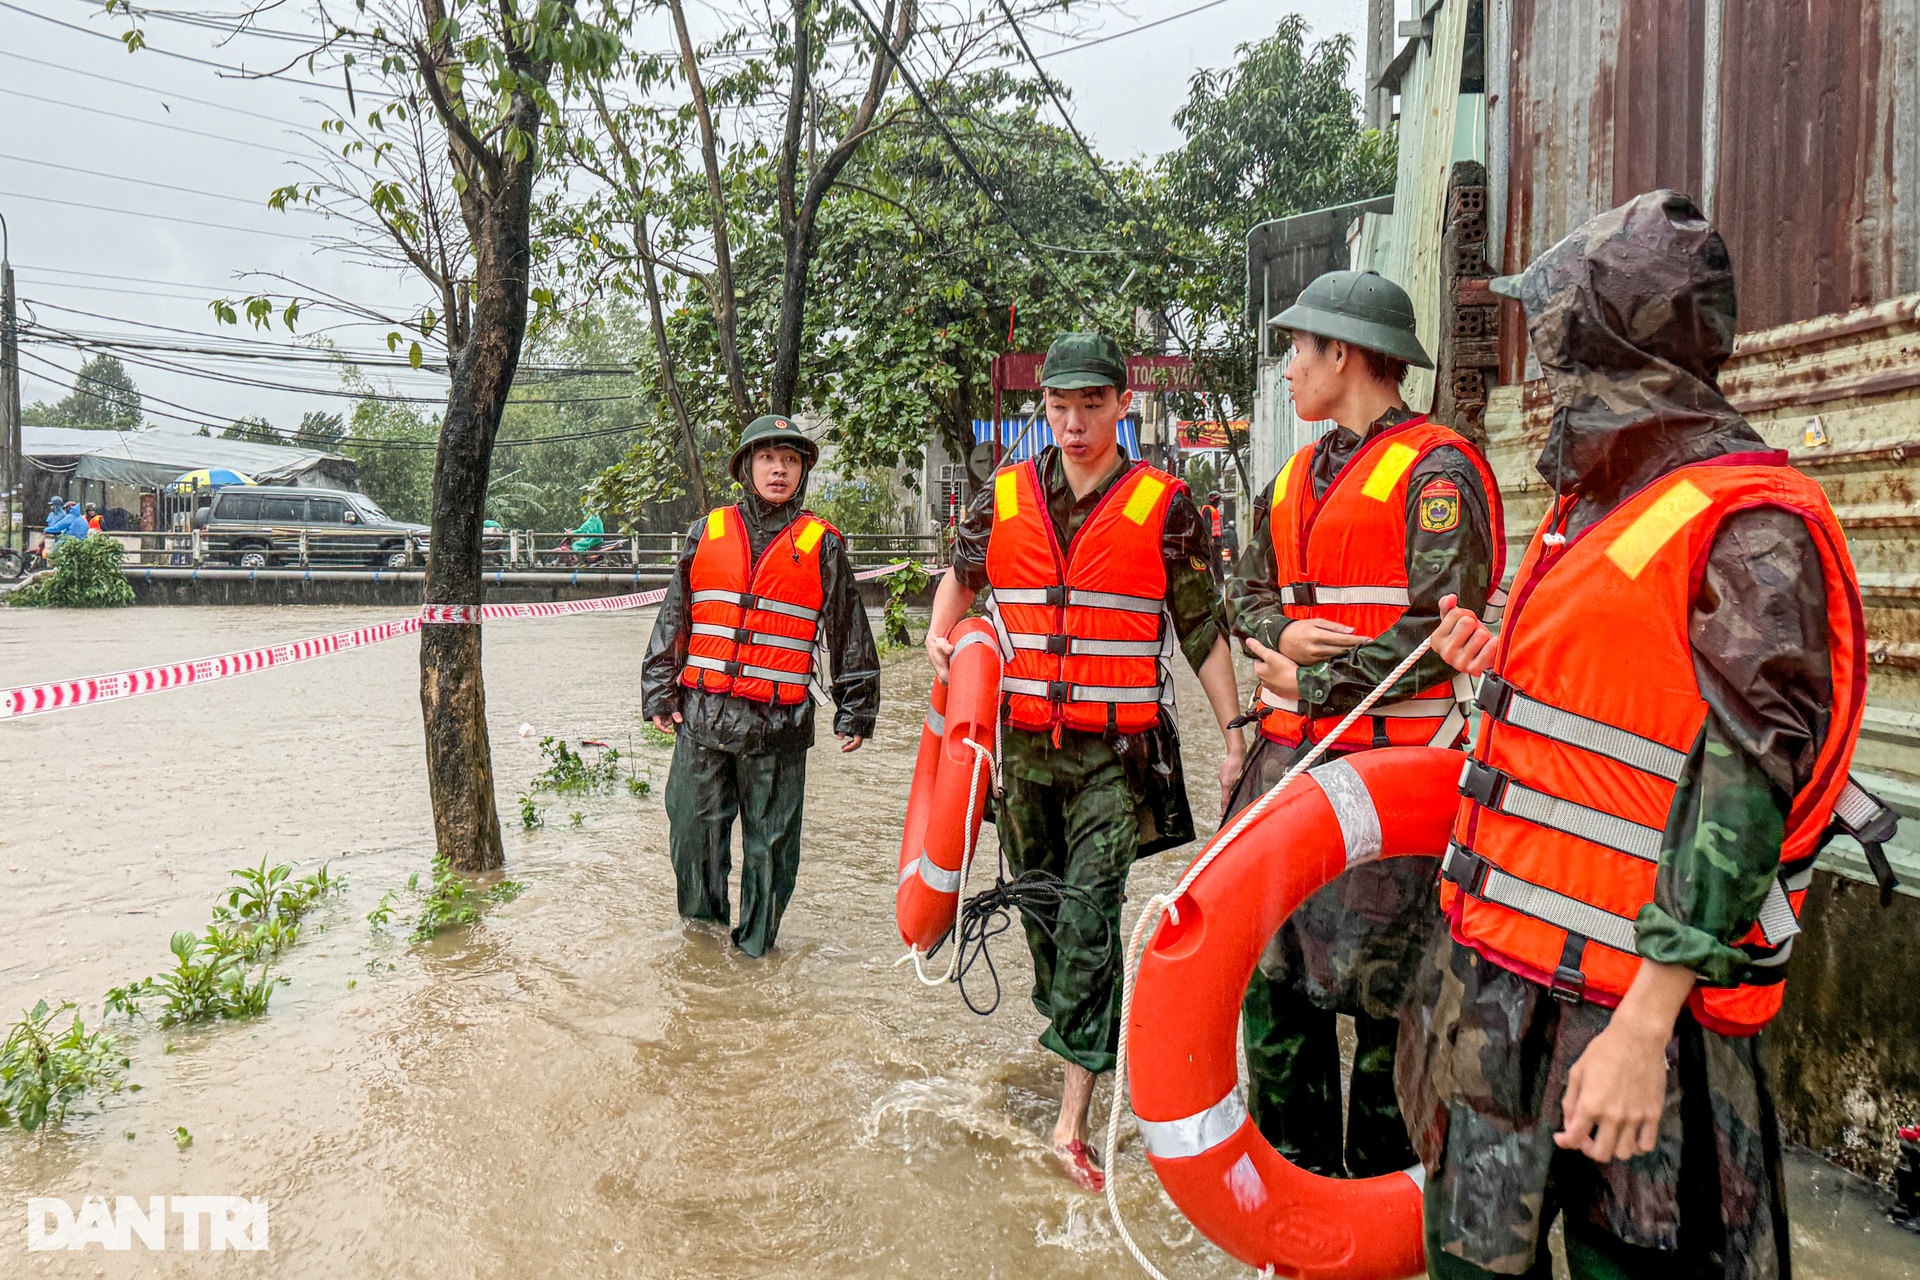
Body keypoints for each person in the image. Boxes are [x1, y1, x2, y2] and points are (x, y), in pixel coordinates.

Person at [1401, 190, 1866, 1279]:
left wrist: (1644, 1031)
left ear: (1610, 347)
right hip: (1502, 1001)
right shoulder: (1604, 511)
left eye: (1559, 344)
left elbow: (1746, 789)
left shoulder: (1747, 527)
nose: (1545, 378)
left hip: (1629, 1024)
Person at [925, 332, 1246, 1191]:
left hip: (1115, 757)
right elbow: (961, 576)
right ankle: (1080, 1041)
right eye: (1059, 406)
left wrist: (1235, 733)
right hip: (1021, 754)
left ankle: (1072, 1120)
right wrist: (937, 630)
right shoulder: (1002, 496)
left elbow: (1202, 625)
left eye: (1091, 404)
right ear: (1045, 409)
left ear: (1122, 404)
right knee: (1040, 920)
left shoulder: (1165, 505)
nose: (1072, 423)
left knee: (1090, 917)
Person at [1225, 269, 1503, 1180]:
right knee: (1276, 1002)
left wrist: (1317, 684)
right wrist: (1279, 633)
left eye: (1298, 351)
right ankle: (1292, 1220)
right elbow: (1247, 594)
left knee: (1392, 1030)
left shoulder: (1439, 472)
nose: (1289, 370)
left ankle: (1376, 1221)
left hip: (1394, 803)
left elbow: (1438, 628)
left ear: (1342, 354)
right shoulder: (1293, 480)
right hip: (1286, 785)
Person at [640, 415, 880, 958]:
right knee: (693, 842)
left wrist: (856, 707)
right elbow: (676, 613)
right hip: (703, 718)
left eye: (790, 460)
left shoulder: (823, 544)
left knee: (771, 853)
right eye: (769, 458)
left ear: (801, 472)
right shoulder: (707, 532)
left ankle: (754, 956)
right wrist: (659, 687)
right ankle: (703, 954)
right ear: (747, 467)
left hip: (779, 727)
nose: (780, 469)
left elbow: (848, 628)